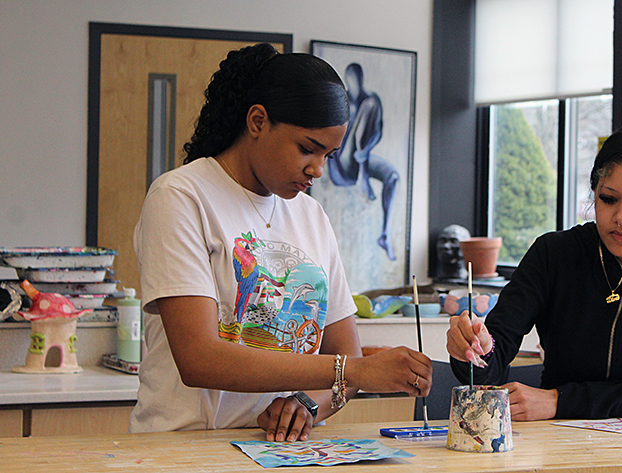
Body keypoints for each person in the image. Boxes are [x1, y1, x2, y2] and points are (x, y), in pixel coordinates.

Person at [131, 44, 432, 441]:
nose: (318, 169)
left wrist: (308, 404)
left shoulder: (311, 216)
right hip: (186, 447)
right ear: (257, 121)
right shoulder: (181, 197)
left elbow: (346, 359)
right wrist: (350, 371)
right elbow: (199, 359)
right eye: (307, 149)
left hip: (279, 452)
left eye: (329, 154)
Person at [446, 122, 622, 421]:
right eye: (608, 199)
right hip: (559, 445)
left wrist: (559, 402)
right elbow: (494, 359)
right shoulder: (554, 254)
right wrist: (475, 348)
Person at [327, 62, 399, 261]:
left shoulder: (371, 99)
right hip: (343, 163)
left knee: (392, 175)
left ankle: (384, 234)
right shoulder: (345, 101)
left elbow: (377, 132)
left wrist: (365, 151)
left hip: (361, 158)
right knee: (369, 106)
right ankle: (362, 177)